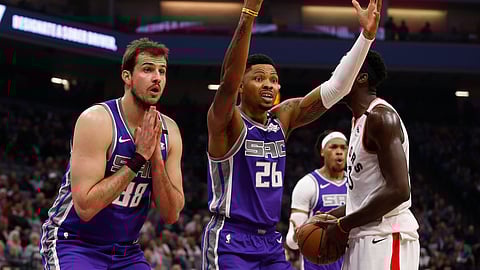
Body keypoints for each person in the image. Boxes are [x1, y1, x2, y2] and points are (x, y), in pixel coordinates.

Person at [201, 0, 383, 268]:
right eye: (259, 78)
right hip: (231, 239)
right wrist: (249, 14)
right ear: (241, 85)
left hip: (270, 243)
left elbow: (335, 89)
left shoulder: (282, 119)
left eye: (273, 79)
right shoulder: (228, 122)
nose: (268, 84)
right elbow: (228, 80)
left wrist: (366, 38)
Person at [39, 38, 185, 269]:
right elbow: (85, 208)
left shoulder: (171, 132)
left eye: (162, 71)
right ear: (127, 77)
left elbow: (171, 214)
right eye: (148, 69)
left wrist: (155, 157)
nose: (157, 77)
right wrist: (138, 158)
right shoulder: (97, 120)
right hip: (75, 243)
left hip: (126, 251)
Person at [319, 51, 420, 269]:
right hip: (364, 235)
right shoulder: (358, 121)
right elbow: (364, 198)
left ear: (362, 77)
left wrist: (343, 225)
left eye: (343, 68)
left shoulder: (381, 118)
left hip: (386, 236)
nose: (335, 74)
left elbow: (400, 190)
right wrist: (330, 217)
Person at [286, 130, 348, 270]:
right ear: (322, 151)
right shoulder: (308, 184)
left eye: (343, 148)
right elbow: (291, 242)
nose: (339, 152)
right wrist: (298, 236)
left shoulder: (355, 183)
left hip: (350, 260)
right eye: (333, 147)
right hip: (317, 264)